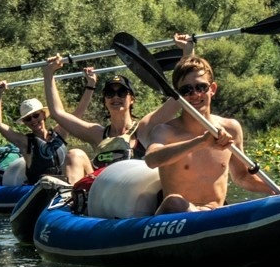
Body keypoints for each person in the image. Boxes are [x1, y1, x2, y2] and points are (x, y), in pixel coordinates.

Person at [39, 33, 195, 185]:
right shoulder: (97, 133)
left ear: (131, 98)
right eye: (109, 93)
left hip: (133, 193)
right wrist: (49, 75)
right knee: (75, 155)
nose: (115, 97)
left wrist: (187, 53)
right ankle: (73, 203)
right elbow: (57, 113)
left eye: (121, 92)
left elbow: (178, 98)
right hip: (102, 193)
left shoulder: (144, 128)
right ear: (105, 100)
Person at [144, 55, 280, 213]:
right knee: (175, 202)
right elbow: (152, 159)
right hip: (178, 216)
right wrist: (201, 142)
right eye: (186, 90)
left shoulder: (231, 128)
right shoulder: (165, 131)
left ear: (212, 89)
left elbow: (241, 176)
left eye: (201, 87)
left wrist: (275, 191)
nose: (195, 95)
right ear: (178, 96)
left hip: (214, 215)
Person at [0, 81, 85, 184]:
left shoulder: (59, 133)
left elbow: (78, 114)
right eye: (28, 119)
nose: (33, 120)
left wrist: (90, 86)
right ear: (25, 123)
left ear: (43, 115)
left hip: (64, 186)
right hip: (42, 189)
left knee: (76, 155)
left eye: (36, 115)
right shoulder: (25, 142)